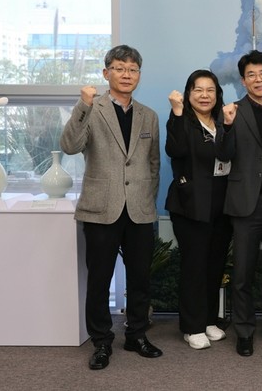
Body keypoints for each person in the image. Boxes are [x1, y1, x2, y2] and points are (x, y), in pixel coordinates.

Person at [60, 45, 162, 370]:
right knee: (99, 280)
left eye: (132, 69)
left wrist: (145, 197)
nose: (126, 74)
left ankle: (136, 335)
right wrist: (84, 105)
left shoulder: (149, 115)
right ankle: (102, 342)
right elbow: (69, 145)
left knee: (140, 279)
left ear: (139, 75)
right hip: (101, 208)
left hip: (139, 209)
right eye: (119, 68)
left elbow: (153, 164)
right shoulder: (93, 108)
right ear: (107, 73)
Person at [215, 50, 262, 357]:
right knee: (243, 272)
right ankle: (244, 331)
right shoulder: (233, 112)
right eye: (251, 75)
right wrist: (227, 126)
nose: (258, 80)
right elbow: (223, 154)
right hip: (247, 202)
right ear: (243, 80)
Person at [165, 69, 232, 350]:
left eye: (210, 90)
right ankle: (191, 327)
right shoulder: (181, 119)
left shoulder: (222, 121)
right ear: (189, 93)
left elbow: (229, 155)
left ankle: (208, 320)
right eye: (198, 90)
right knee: (194, 265)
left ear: (217, 94)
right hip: (190, 205)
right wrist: (177, 112)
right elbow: (175, 150)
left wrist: (229, 126)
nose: (205, 95)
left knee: (214, 264)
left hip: (221, 205)